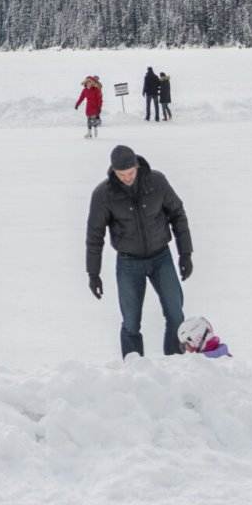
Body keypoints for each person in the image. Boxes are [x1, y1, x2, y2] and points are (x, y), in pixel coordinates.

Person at [85, 144, 192, 357]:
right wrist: (93, 274)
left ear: (137, 166)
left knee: (175, 313)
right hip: (128, 263)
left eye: (131, 172)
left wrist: (185, 253)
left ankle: (174, 364)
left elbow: (177, 214)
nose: (127, 178)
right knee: (131, 322)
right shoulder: (103, 194)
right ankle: (134, 372)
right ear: (113, 171)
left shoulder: (157, 182)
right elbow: (94, 237)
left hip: (161, 257)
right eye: (121, 174)